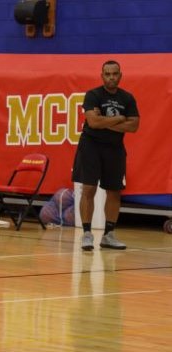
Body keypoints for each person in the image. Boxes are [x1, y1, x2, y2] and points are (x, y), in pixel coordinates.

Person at [72, 60, 139, 251]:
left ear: (120, 75)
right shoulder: (93, 95)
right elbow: (92, 123)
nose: (111, 77)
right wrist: (119, 118)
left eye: (115, 73)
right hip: (91, 146)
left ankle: (109, 235)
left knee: (114, 190)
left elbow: (134, 125)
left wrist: (104, 120)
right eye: (107, 74)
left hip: (115, 148)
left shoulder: (127, 98)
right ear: (102, 76)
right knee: (89, 188)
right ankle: (86, 233)